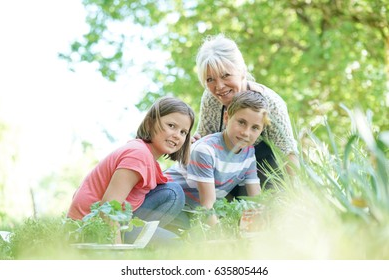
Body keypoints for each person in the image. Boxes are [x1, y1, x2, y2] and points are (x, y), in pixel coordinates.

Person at [67, 96, 195, 244]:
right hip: (91, 228)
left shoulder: (145, 155)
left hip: (110, 221)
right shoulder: (138, 155)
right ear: (149, 123)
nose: (177, 135)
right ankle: (131, 241)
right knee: (178, 238)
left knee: (173, 192)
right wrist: (118, 250)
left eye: (183, 132)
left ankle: (151, 239)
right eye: (171, 126)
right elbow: (108, 206)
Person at [194, 33, 298, 191]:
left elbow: (288, 154)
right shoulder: (210, 99)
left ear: (242, 71)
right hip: (227, 173)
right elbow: (204, 136)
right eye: (210, 79)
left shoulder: (271, 104)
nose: (219, 86)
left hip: (265, 172)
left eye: (226, 75)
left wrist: (297, 197)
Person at [165, 91, 270, 226]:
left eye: (255, 127)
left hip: (194, 209)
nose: (246, 133)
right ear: (226, 118)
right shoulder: (206, 150)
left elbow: (256, 199)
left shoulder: (248, 153)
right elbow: (207, 205)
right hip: (170, 202)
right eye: (241, 122)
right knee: (184, 239)